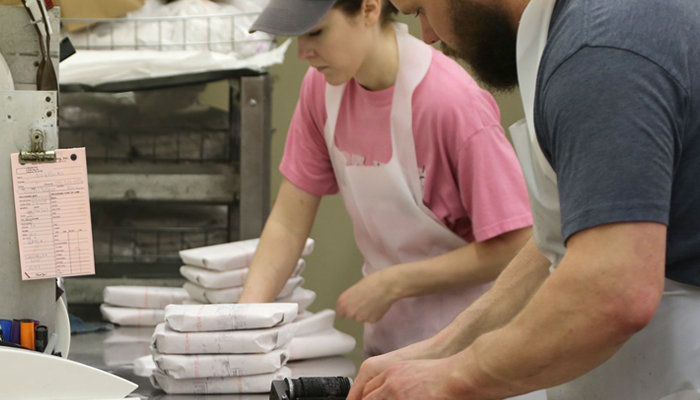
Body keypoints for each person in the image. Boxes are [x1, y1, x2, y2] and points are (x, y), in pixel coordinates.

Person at [346, 0, 700, 399]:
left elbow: (613, 291)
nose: (428, 36)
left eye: (421, 10)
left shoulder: (599, 50)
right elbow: (566, 236)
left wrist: (454, 376)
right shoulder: (585, 30)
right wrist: (438, 351)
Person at [239, 0, 534, 359]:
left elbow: (518, 245)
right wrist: (243, 325)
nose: (303, 53)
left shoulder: (450, 103)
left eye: (316, 32)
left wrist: (396, 281)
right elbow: (287, 225)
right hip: (389, 351)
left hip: (473, 353)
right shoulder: (321, 90)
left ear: (369, 8)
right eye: (296, 37)